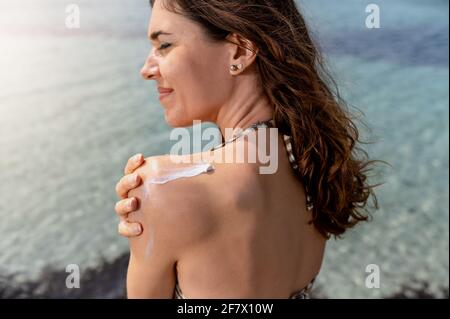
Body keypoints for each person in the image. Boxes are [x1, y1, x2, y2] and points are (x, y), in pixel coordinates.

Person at [114, 0, 381, 299]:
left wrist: (152, 203)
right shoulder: (314, 165)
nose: (146, 69)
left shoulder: (163, 185)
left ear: (239, 52)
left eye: (164, 45)